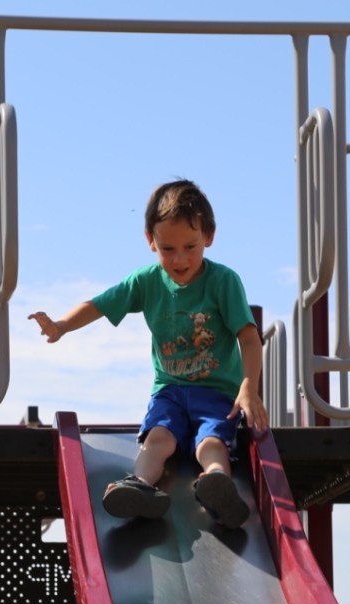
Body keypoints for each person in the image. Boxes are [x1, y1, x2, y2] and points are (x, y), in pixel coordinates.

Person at [29, 179, 268, 529]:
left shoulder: (223, 281)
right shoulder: (147, 281)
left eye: (190, 246)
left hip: (217, 391)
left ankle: (217, 483)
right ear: (150, 240)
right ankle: (139, 485)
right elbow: (100, 304)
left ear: (209, 236)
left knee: (212, 440)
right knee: (158, 437)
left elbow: (248, 337)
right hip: (169, 391)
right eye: (168, 248)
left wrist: (248, 386)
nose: (180, 258)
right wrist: (61, 325)